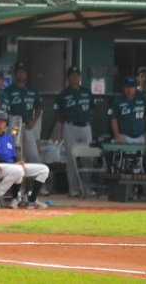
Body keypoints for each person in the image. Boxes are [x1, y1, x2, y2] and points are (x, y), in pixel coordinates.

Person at [0, 110, 50, 209]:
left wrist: (18, 162)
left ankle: (32, 200)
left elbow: (13, 155)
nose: (1, 123)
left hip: (13, 165)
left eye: (3, 121)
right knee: (18, 170)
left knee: (44, 169)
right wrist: (14, 164)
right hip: (0, 166)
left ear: (6, 123)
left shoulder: (8, 137)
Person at [53, 65, 93, 197]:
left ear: (80, 77)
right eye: (72, 75)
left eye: (77, 75)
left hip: (86, 126)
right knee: (71, 159)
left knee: (88, 158)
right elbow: (57, 113)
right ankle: (74, 189)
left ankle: (86, 187)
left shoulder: (86, 92)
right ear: (68, 78)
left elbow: (92, 109)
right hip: (70, 127)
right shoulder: (63, 95)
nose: (75, 78)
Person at [4, 61, 42, 163]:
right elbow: (4, 109)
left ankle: (33, 179)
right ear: (15, 74)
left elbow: (38, 107)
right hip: (14, 126)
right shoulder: (9, 90)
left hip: (27, 125)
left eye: (23, 72)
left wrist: (34, 121)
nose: (21, 74)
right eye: (19, 72)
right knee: (15, 152)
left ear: (26, 74)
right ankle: (17, 177)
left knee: (33, 155)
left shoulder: (32, 90)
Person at [108, 76, 146, 144]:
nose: (129, 90)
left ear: (135, 88)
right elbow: (113, 120)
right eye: (127, 87)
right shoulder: (117, 102)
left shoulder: (143, 99)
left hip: (141, 136)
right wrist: (116, 135)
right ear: (123, 88)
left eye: (132, 87)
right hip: (124, 136)